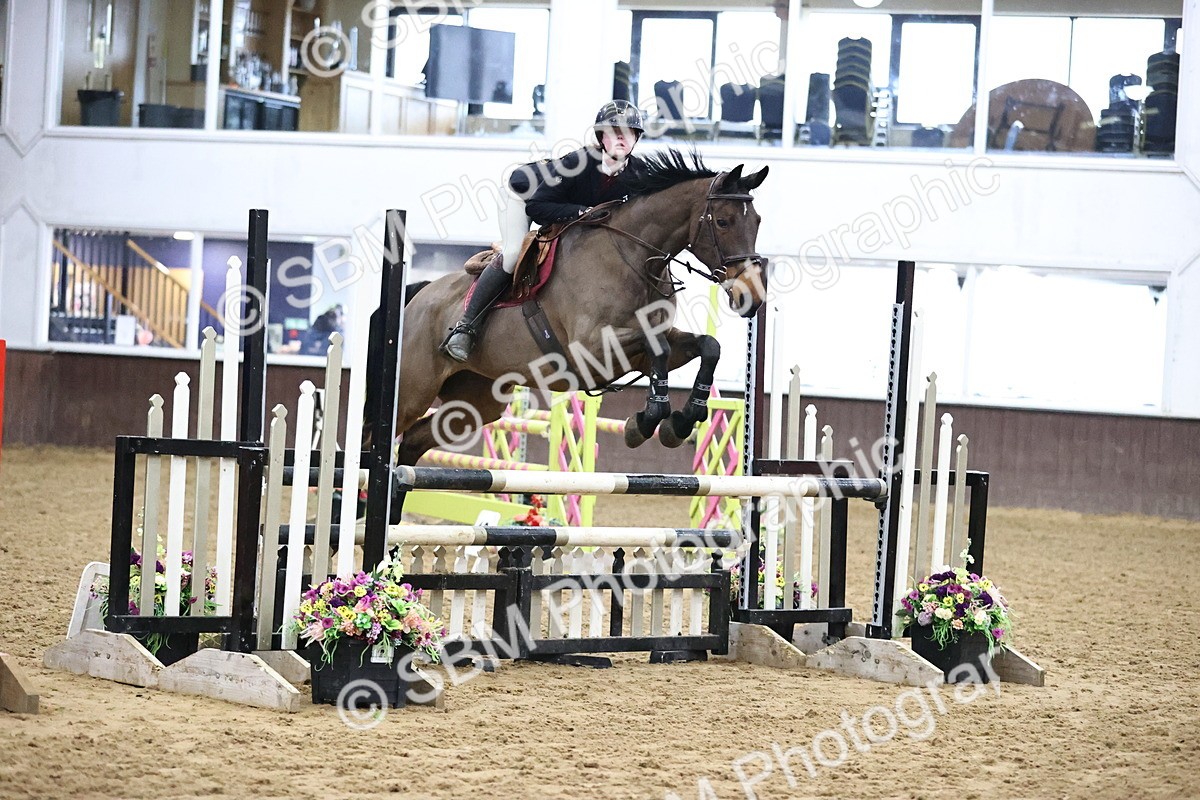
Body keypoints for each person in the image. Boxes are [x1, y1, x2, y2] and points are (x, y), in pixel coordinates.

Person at [440, 99, 647, 362]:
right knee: (514, 253)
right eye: (615, 132)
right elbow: (538, 206)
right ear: (601, 137)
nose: (622, 138)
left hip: (563, 209)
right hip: (524, 196)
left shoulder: (639, 173)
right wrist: (581, 212)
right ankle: (465, 327)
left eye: (629, 133)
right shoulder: (579, 162)